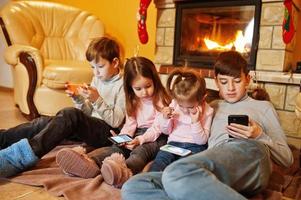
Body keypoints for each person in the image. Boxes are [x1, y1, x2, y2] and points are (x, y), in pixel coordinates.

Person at [121, 51, 294, 200]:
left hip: (249, 152)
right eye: (224, 82)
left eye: (237, 81)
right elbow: (182, 109)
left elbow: (287, 158)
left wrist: (259, 135)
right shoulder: (211, 106)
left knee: (176, 172)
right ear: (216, 83)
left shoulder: (262, 106)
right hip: (212, 163)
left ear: (247, 79)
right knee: (135, 186)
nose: (231, 88)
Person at [0, 36, 126, 178]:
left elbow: (116, 122)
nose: (95, 72)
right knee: (44, 122)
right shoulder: (98, 78)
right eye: (92, 67)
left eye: (100, 67)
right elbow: (88, 112)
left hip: (108, 133)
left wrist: (97, 99)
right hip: (92, 126)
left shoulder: (124, 85)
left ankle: (16, 158)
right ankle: (2, 138)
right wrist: (78, 98)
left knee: (69, 114)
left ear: (115, 62)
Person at [55, 56, 171, 187]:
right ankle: (88, 162)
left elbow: (158, 128)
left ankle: (123, 171)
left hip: (156, 137)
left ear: (155, 80)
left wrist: (140, 140)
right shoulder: (133, 100)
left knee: (139, 152)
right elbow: (130, 124)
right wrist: (123, 137)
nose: (144, 92)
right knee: (116, 148)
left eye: (148, 86)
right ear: (130, 87)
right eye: (138, 89)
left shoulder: (161, 99)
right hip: (138, 132)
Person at [135, 69, 214, 171]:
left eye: (190, 107)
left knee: (184, 167)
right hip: (173, 144)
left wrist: (196, 122)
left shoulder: (208, 111)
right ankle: (150, 181)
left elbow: (202, 141)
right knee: (159, 162)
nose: (185, 110)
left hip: (195, 147)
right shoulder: (175, 104)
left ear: (203, 98)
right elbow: (166, 131)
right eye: (181, 106)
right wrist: (165, 119)